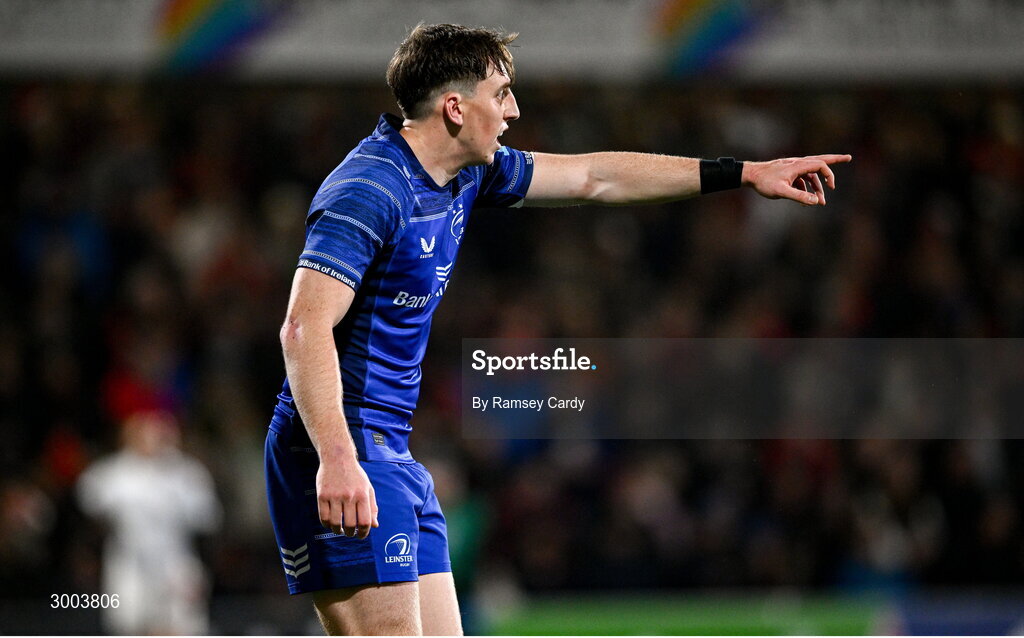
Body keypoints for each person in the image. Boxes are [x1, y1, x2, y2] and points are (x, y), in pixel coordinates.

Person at [264, 22, 851, 636]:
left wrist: (745, 174)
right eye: (503, 93)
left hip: (390, 450)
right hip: (336, 448)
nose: (515, 110)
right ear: (456, 108)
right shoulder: (369, 189)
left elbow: (592, 177)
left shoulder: (465, 172)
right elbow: (304, 330)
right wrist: (336, 457)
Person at [77, 410, 221, 635]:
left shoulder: (187, 472)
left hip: (176, 563)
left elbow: (208, 519)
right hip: (129, 564)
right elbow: (90, 502)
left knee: (185, 627)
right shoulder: (113, 473)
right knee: (130, 626)